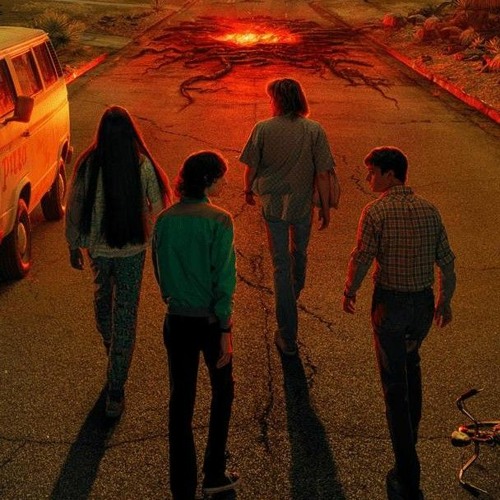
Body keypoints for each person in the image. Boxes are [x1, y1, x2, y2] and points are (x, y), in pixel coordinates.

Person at [342, 146, 456, 500]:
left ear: (390, 175)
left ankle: (407, 473)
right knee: (410, 366)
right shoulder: (430, 209)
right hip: (421, 305)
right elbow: (447, 262)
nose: (368, 179)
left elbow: (363, 256)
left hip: (390, 305)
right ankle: (411, 439)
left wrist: (350, 290)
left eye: (372, 172)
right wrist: (444, 300)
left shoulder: (375, 211)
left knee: (394, 387)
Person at [65, 105, 171, 419]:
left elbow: (74, 207)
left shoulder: (127, 166)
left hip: (122, 251)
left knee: (114, 310)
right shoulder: (105, 165)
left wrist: (73, 244)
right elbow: (159, 209)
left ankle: (116, 387)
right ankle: (118, 359)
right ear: (130, 134)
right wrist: (73, 243)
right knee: (112, 312)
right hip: (111, 251)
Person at [152, 151, 239, 500]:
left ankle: (182, 485)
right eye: (221, 177)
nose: (224, 183)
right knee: (223, 391)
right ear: (207, 181)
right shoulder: (220, 220)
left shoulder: (164, 220)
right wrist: (225, 329)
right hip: (211, 321)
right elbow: (224, 278)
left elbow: (159, 271)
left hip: (177, 318)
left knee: (181, 400)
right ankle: (214, 471)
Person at [240, 77, 338, 357]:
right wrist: (325, 208)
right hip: (301, 205)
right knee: (300, 254)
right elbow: (322, 173)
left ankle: (287, 332)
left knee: (281, 265)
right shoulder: (314, 130)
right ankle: (291, 296)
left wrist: (248, 190)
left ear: (277, 100)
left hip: (273, 205)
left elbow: (251, 167)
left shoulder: (262, 128)